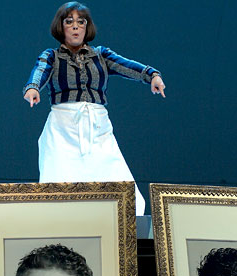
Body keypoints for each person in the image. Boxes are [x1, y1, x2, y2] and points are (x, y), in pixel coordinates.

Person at [23, 2, 166, 216]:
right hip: (63, 127)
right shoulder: (52, 56)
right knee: (59, 176)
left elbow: (127, 65)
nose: (75, 26)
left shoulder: (100, 55)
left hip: (98, 127)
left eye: (81, 22)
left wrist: (152, 75)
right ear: (61, 27)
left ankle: (123, 223)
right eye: (69, 22)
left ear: (86, 27)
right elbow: (40, 70)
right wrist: (33, 88)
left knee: (115, 176)